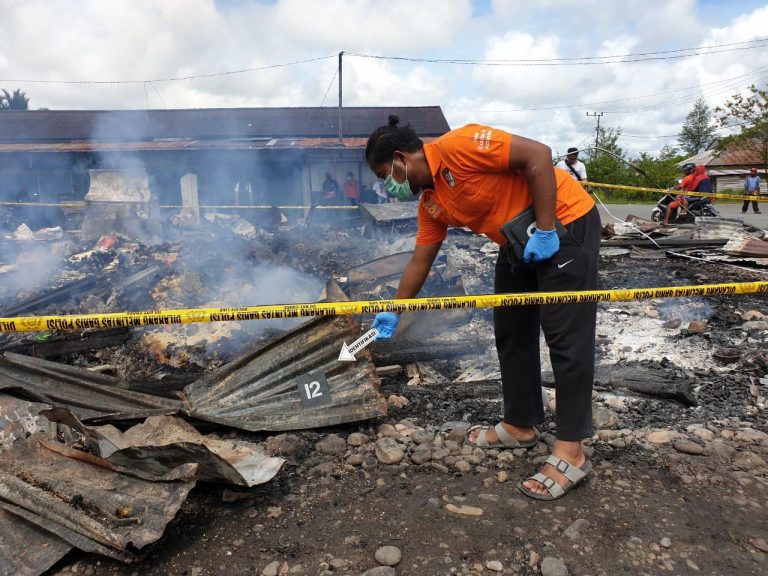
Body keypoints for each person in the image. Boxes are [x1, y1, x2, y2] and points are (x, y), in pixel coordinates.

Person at [366, 115, 600, 500]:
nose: (387, 185)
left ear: (400, 159)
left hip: (563, 219)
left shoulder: (460, 145)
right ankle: (520, 424)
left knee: (565, 336)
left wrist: (545, 229)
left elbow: (538, 156)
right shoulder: (431, 203)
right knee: (511, 330)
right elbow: (419, 261)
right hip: (515, 238)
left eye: (383, 174)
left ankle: (571, 450)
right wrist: (395, 308)